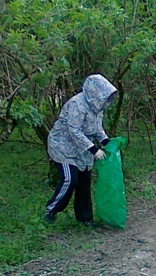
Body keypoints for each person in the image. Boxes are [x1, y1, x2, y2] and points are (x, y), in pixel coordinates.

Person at [44, 74, 118, 225]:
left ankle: (85, 218)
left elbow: (97, 128)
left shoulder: (97, 107)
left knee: (84, 180)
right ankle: (51, 210)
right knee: (70, 179)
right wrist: (93, 149)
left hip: (82, 148)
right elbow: (74, 130)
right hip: (63, 146)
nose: (107, 101)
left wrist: (105, 141)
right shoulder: (77, 104)